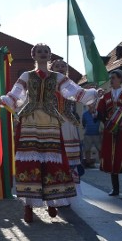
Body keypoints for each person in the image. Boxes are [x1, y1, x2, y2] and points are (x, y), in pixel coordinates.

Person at [0, 43, 97, 223]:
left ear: (50, 56)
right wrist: (4, 100)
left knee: (52, 162)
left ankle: (52, 200)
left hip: (50, 121)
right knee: (30, 162)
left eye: (46, 52)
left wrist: (91, 94)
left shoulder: (58, 77)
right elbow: (16, 95)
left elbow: (74, 92)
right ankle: (28, 205)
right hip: (30, 120)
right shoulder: (26, 75)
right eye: (39, 52)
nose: (43, 54)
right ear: (33, 55)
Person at [97, 69, 122, 197]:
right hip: (110, 132)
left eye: (114, 77)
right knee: (112, 158)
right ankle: (115, 189)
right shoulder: (106, 96)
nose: (111, 80)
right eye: (111, 78)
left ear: (121, 80)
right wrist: (102, 117)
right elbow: (100, 114)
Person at [50, 58, 84, 187]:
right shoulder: (49, 84)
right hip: (53, 122)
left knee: (71, 154)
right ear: (52, 69)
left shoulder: (71, 85)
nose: (60, 68)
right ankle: (57, 182)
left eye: (63, 66)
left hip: (69, 122)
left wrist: (94, 93)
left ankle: (72, 184)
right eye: (57, 66)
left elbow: (82, 94)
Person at [81, 100, 102, 168]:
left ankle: (102, 163)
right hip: (88, 134)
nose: (92, 106)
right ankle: (88, 163)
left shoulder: (98, 113)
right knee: (87, 149)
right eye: (90, 104)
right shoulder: (85, 114)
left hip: (97, 134)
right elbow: (83, 123)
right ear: (88, 105)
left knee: (100, 149)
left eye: (93, 104)